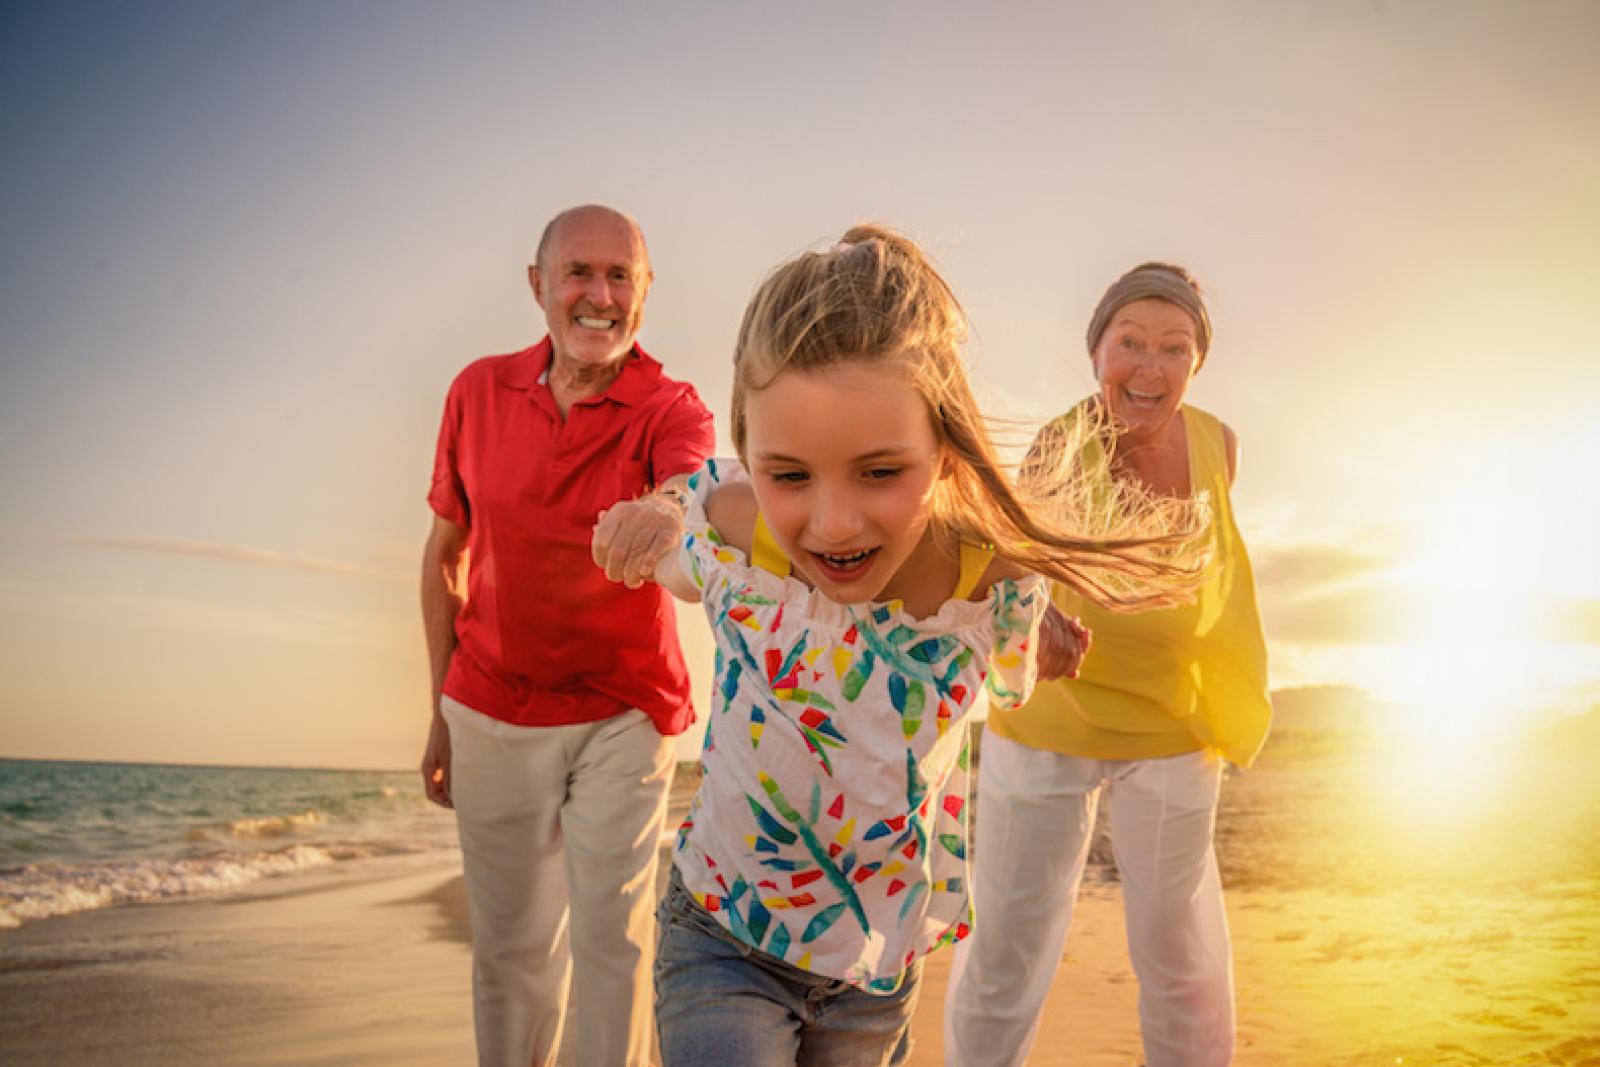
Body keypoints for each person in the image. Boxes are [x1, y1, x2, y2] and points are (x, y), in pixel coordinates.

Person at [591, 227, 1209, 1067]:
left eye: (880, 472)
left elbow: (1017, 669)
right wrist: (652, 509)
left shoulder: (983, 578)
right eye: (791, 474)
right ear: (751, 450)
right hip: (724, 935)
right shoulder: (744, 536)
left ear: (944, 452)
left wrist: (1049, 642)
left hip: (875, 972)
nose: (833, 522)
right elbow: (689, 501)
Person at [945, 262, 1272, 1067]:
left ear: (1198, 361)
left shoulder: (1217, 446)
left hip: (1171, 719)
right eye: (1130, 342)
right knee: (1010, 941)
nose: (1149, 366)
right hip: (1053, 717)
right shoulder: (1061, 442)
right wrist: (1038, 614)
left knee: (1181, 951)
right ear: (1097, 353)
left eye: (1174, 346)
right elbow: (1017, 561)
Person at [419, 204, 715, 1067]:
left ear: (646, 292)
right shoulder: (476, 391)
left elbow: (692, 490)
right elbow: (445, 557)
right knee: (509, 952)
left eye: (621, 276)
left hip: (624, 710)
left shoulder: (669, 405)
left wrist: (663, 509)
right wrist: (440, 709)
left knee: (612, 939)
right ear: (538, 285)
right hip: (490, 705)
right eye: (579, 273)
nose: (600, 294)